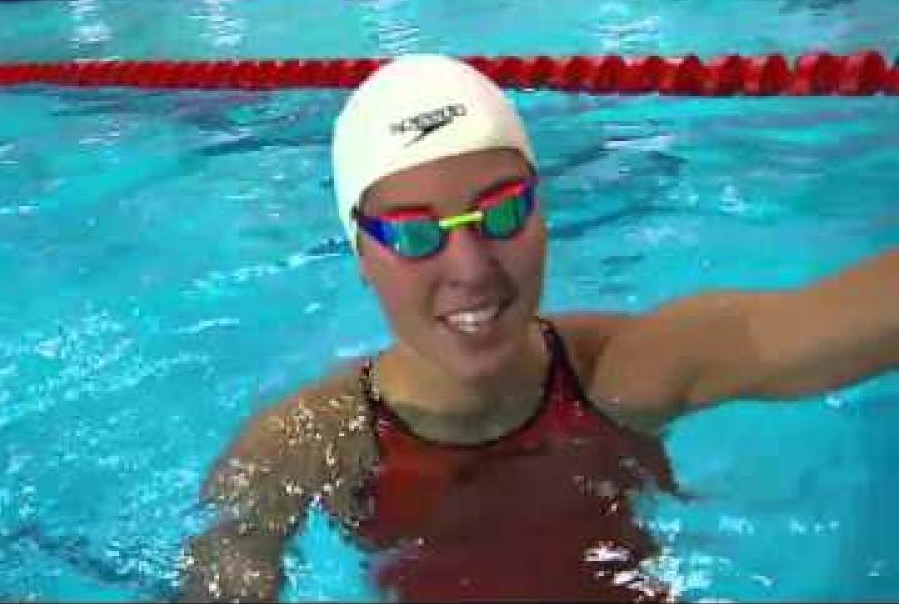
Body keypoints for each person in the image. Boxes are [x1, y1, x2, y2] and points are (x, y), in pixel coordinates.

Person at [176, 54, 899, 602]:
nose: (470, 266)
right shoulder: (304, 448)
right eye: (415, 233)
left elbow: (822, 325)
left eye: (502, 211)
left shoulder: (619, 372)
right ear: (362, 253)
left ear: (544, 214)